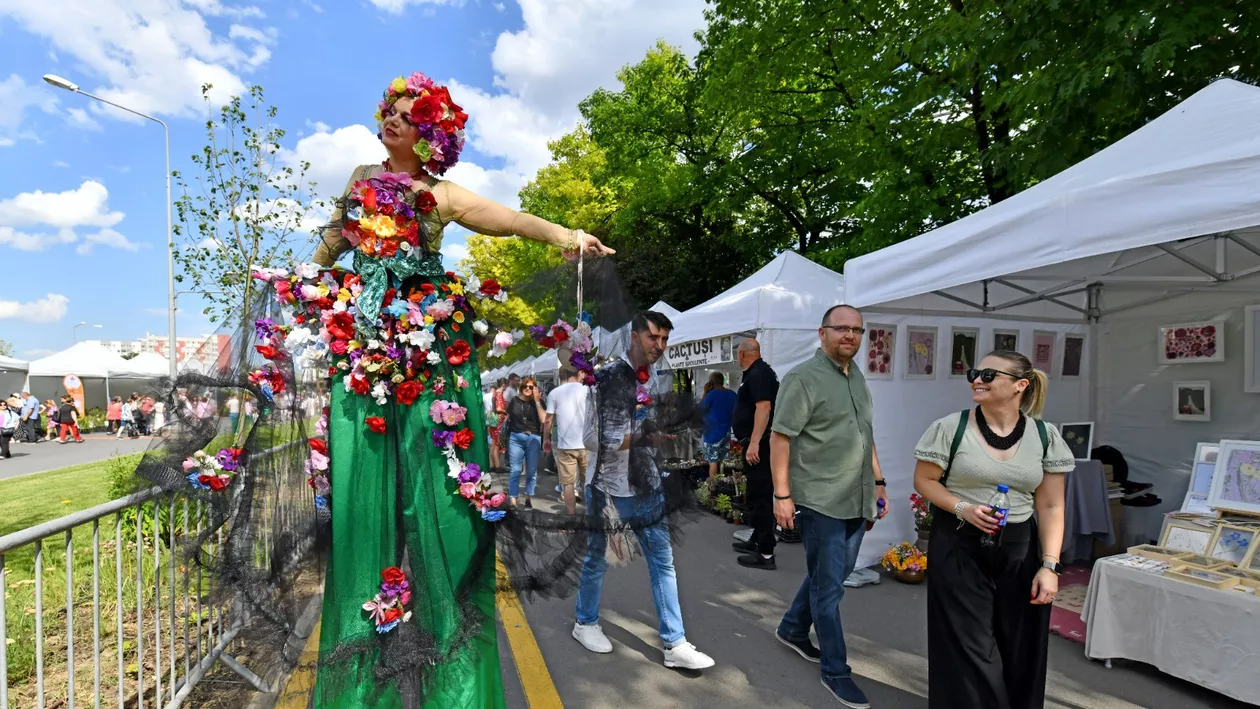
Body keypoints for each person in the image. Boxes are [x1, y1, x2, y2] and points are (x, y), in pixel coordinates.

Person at [299, 72, 612, 708]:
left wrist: (568, 237)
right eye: (392, 110)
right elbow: (331, 245)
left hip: (431, 350)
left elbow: (511, 220)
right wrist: (304, 279)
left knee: (443, 500)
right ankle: (360, 688)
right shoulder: (361, 179)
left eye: (410, 117)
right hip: (365, 350)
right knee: (365, 504)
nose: (394, 121)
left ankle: (458, 690)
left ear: (432, 134)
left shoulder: (440, 194)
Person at [911, 350, 1073, 709]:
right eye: (974, 373)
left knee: (1021, 646)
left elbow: (1051, 505)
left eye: (988, 374)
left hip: (1020, 549)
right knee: (969, 648)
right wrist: (962, 507)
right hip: (958, 544)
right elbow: (924, 480)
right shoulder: (951, 427)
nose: (977, 380)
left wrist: (1049, 566)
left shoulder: (1045, 435)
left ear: (1020, 386)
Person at [572, 311, 716, 671]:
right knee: (596, 560)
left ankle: (675, 643)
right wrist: (641, 437)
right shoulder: (606, 378)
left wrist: (660, 434)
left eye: (665, 339)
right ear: (635, 336)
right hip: (607, 488)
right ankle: (584, 623)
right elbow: (591, 439)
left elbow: (645, 427)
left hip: (647, 483)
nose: (660, 346)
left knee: (662, 560)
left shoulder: (654, 379)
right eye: (654, 338)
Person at [770, 305, 888, 709]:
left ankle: (792, 628)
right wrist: (782, 496)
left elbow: (864, 434)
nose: (850, 336)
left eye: (857, 330)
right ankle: (836, 671)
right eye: (842, 329)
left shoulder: (856, 376)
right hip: (820, 500)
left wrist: (879, 481)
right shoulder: (802, 378)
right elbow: (780, 438)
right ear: (823, 333)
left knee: (829, 574)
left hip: (857, 496)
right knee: (830, 587)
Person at [730, 339, 779, 570]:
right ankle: (757, 539)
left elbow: (764, 408)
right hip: (754, 442)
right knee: (755, 494)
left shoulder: (759, 373)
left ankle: (766, 553)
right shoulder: (756, 372)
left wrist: (755, 443)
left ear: (742, 354)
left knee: (761, 497)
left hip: (759, 444)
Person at [545, 366, 591, 514]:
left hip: (566, 446)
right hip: (587, 444)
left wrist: (546, 439)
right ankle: (592, 515)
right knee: (589, 482)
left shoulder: (554, 393)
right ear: (579, 373)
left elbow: (548, 421)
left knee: (568, 484)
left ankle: (571, 519)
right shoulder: (589, 390)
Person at [506, 377, 546, 509]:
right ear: (521, 388)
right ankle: (513, 499)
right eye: (525, 387)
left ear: (535, 389)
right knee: (515, 470)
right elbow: (507, 417)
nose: (528, 389)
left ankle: (528, 497)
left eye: (531, 387)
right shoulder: (514, 400)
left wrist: (537, 401)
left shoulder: (538, 402)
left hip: (533, 438)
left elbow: (544, 420)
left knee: (531, 471)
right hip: (516, 438)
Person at [698, 372, 737, 480]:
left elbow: (700, 410)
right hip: (727, 432)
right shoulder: (732, 394)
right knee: (722, 462)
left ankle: (714, 489)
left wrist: (705, 392)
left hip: (712, 434)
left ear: (711, 382)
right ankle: (724, 485)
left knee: (713, 462)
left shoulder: (711, 395)